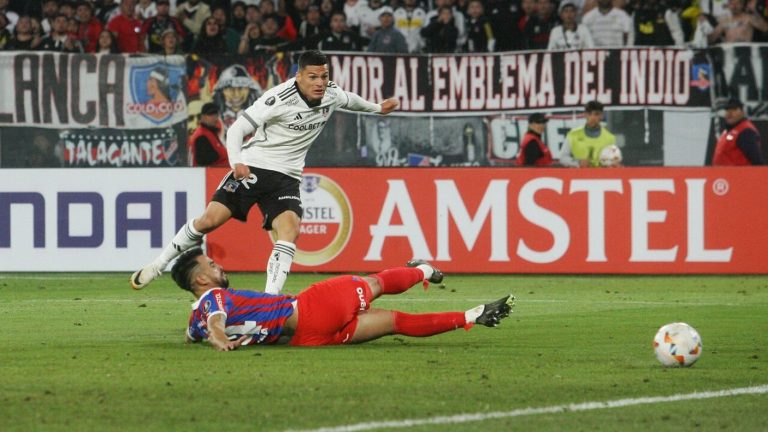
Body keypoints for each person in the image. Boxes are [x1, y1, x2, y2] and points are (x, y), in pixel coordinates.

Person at [130, 50, 399, 294]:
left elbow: (351, 100)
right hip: (254, 166)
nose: (320, 82)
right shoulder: (277, 98)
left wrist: (378, 109)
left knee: (290, 230)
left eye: (324, 76)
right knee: (209, 221)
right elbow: (237, 129)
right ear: (299, 76)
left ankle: (270, 301)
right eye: (313, 77)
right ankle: (158, 265)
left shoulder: (331, 93)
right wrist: (237, 162)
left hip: (287, 177)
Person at [172, 248, 515, 351]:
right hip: (313, 309)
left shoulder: (195, 318)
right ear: (201, 280)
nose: (218, 267)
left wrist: (198, 336)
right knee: (374, 282)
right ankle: (425, 270)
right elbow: (216, 323)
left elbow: (194, 331)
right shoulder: (214, 298)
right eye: (211, 265)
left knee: (396, 322)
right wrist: (219, 339)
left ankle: (472, 316)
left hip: (310, 339)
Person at [559, 100, 617, 167]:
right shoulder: (573, 135)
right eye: (589, 114)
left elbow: (614, 160)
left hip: (601, 173)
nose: (592, 118)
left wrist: (614, 164)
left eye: (596, 114)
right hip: (579, 173)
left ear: (601, 115)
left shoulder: (610, 138)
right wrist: (578, 162)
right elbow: (563, 158)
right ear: (585, 115)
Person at [712, 98, 765, 165]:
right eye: (727, 110)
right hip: (722, 171)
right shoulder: (728, 130)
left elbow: (757, 160)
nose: (730, 113)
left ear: (742, 112)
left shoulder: (745, 132)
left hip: (738, 171)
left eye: (734, 110)